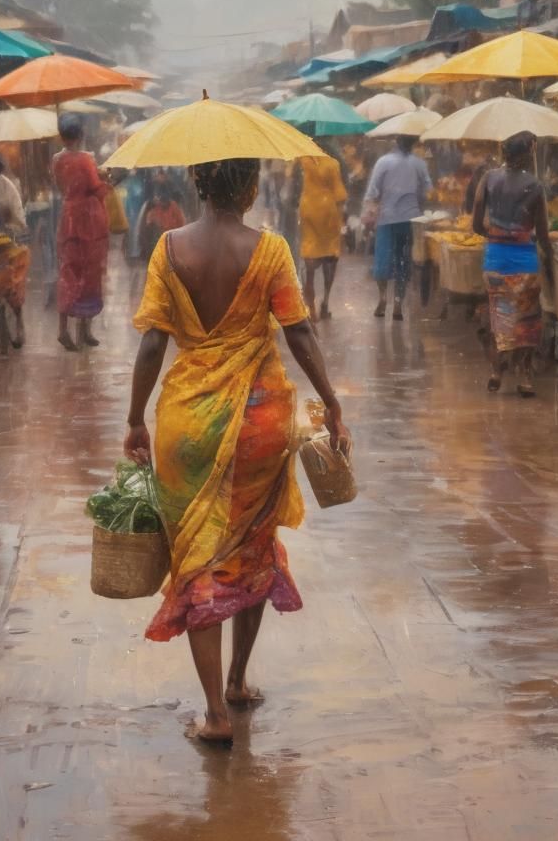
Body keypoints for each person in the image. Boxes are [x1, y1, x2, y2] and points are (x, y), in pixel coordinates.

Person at [124, 157, 349, 745]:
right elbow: (299, 331)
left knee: (198, 559)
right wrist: (333, 401)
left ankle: (215, 717)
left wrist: (134, 420)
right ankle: (238, 682)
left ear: (195, 182)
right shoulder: (271, 249)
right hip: (260, 420)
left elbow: (152, 344)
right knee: (254, 546)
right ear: (250, 186)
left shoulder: (168, 249)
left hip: (187, 424)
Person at [472, 131, 552, 397]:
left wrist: (496, 236)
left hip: (495, 261)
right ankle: (525, 377)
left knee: (500, 316)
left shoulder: (488, 178)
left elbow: (476, 222)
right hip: (524, 263)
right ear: (528, 153)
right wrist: (549, 259)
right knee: (527, 320)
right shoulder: (536, 186)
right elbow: (542, 233)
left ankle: (497, 371)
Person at [54, 113, 110, 351]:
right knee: (89, 272)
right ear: (80, 135)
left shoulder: (57, 159)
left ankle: (64, 329)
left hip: (67, 219)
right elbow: (95, 188)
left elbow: (60, 186)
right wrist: (108, 181)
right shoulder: (87, 159)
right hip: (88, 220)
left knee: (68, 272)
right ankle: (84, 330)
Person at [364, 134, 431, 321]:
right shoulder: (419, 164)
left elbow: (372, 191)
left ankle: (383, 297)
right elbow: (427, 190)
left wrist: (372, 209)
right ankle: (398, 303)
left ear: (396, 142)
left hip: (387, 218)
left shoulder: (383, 162)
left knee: (382, 261)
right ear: (413, 144)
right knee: (403, 261)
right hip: (410, 219)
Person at [0, 155, 30, 349]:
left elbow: (18, 216)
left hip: (8, 242)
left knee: (12, 287)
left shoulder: (7, 187)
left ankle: (18, 323)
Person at [298, 152, 347, 320]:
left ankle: (310, 309)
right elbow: (340, 194)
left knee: (309, 260)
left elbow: (291, 181)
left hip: (308, 211)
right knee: (330, 257)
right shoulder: (333, 163)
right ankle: (325, 302)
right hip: (328, 214)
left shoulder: (302, 161)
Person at [137, 177, 186, 261]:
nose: (162, 202)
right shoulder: (152, 208)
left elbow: (181, 224)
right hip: (158, 245)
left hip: (171, 243)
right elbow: (146, 230)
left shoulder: (173, 206)